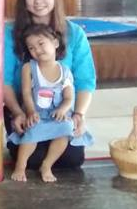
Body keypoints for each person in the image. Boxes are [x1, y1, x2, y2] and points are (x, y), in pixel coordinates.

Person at [4, 0, 96, 170]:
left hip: (60, 111)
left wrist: (78, 114)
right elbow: (4, 81)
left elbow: (85, 81)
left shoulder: (74, 33)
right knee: (32, 160)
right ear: (23, 0)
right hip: (24, 110)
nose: (38, 0)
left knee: (71, 160)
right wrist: (18, 112)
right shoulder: (9, 34)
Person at [9, 23, 94, 183]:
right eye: (31, 48)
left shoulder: (65, 71)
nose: (37, 50)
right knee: (31, 132)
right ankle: (20, 166)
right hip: (37, 114)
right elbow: (26, 93)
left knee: (66, 129)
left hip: (57, 115)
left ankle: (47, 165)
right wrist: (31, 112)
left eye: (41, 43)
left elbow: (68, 97)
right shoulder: (29, 68)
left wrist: (63, 110)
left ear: (55, 43)